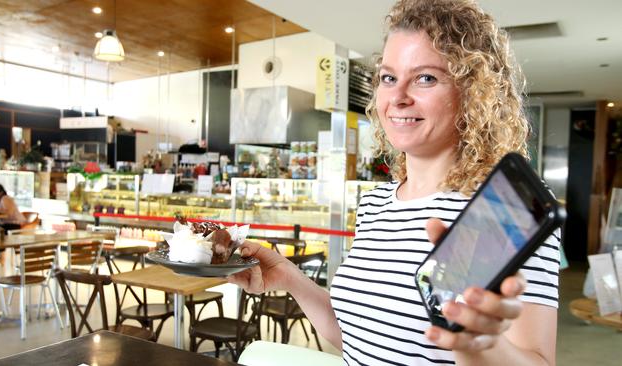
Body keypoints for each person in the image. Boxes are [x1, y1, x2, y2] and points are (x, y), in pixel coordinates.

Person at [228, 0, 561, 365]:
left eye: (426, 78)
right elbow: (359, 337)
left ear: (473, 92)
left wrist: (475, 343)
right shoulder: (375, 204)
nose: (398, 97)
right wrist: (291, 278)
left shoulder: (500, 206)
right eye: (388, 77)